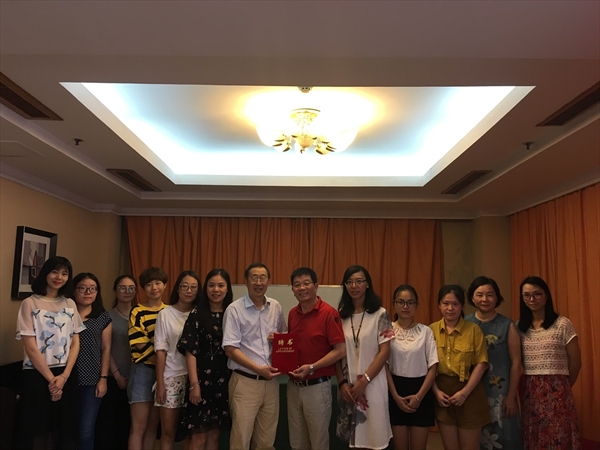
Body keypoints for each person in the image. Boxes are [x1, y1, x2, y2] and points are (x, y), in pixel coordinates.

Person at [14, 256, 85, 450]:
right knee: (38, 429)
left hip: (65, 373)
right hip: (37, 374)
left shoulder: (70, 303)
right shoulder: (30, 303)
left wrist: (64, 376)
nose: (59, 277)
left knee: (62, 428)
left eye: (64, 273)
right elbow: (30, 347)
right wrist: (52, 381)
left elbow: (75, 342)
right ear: (45, 273)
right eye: (55, 272)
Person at [222, 262, 286, 450]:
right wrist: (258, 369)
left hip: (271, 383)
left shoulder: (275, 306)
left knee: (266, 442)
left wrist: (278, 338)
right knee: (241, 441)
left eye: (262, 278)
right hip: (245, 382)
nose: (259, 282)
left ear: (268, 281)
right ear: (246, 281)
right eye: (254, 278)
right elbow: (230, 349)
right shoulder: (235, 309)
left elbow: (284, 338)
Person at [517, 276, 581, 450]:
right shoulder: (519, 327)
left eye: (537, 294)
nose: (532, 299)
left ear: (546, 295)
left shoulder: (562, 324)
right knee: (533, 434)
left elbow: (576, 361)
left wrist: (563, 386)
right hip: (530, 390)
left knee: (557, 435)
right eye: (527, 295)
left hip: (557, 389)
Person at [335, 265, 394, 449]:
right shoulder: (341, 316)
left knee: (374, 440)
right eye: (349, 282)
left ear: (367, 284)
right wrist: (341, 383)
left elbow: (385, 352)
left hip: (373, 385)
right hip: (348, 388)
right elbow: (337, 353)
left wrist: (364, 381)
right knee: (352, 442)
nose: (354, 286)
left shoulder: (380, 314)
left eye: (359, 281)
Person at [286, 267, 346, 450]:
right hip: (293, 387)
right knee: (297, 443)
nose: (302, 288)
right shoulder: (292, 314)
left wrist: (312, 367)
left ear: (316, 286)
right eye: (297, 285)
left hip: (317, 387)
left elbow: (340, 350)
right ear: (292, 289)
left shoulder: (329, 313)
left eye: (306, 283)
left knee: (318, 442)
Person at [178, 268, 234, 450]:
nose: (216, 290)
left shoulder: (232, 313)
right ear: (206, 288)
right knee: (198, 438)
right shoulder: (197, 314)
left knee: (215, 435)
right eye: (211, 285)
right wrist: (194, 385)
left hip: (224, 383)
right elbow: (190, 351)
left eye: (220, 285)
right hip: (201, 383)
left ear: (227, 288)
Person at [465, 276, 523, 450]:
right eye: (479, 295)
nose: (485, 299)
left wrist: (511, 396)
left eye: (490, 295)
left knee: (505, 436)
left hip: (501, 393)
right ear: (472, 298)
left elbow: (516, 363)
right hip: (473, 392)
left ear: (497, 297)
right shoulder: (465, 324)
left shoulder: (507, 325)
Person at [429, 285, 490, 450]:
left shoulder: (473, 330)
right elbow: (426, 366)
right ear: (439, 305)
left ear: (462, 306)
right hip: (442, 394)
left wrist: (464, 393)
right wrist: (436, 392)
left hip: (469, 392)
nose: (450, 308)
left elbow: (482, 363)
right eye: (446, 303)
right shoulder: (430, 330)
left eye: (455, 304)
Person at [385, 284, 438, 450]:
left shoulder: (426, 331)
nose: (405, 306)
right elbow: (384, 366)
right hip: (395, 390)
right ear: (394, 304)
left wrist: (419, 397)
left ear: (416, 305)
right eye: (400, 302)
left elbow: (433, 367)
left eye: (410, 302)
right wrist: (395, 396)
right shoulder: (387, 331)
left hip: (421, 391)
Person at [154, 270, 199, 450]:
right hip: (171, 377)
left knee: (192, 433)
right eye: (184, 286)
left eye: (193, 287)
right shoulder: (165, 314)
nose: (189, 290)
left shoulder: (199, 313)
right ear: (177, 289)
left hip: (196, 378)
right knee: (168, 432)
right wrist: (160, 383)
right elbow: (160, 351)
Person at [128, 267, 168, 450]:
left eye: (158, 283)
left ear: (165, 285)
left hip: (165, 372)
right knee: (139, 427)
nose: (154, 288)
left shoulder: (169, 311)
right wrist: (161, 364)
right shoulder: (137, 311)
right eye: (149, 284)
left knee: (153, 426)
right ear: (143, 288)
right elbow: (139, 343)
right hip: (144, 370)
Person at [95, 274, 137, 450]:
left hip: (136, 378)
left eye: (131, 288)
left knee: (130, 426)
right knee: (111, 425)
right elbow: (105, 348)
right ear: (115, 290)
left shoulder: (139, 314)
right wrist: (117, 375)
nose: (127, 291)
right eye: (122, 288)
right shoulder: (107, 316)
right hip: (113, 378)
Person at [72, 272, 112, 450]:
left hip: (91, 379)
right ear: (74, 291)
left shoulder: (102, 317)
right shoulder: (65, 314)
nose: (88, 292)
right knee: (66, 428)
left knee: (85, 430)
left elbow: (106, 349)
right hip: (65, 377)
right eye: (82, 288)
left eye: (92, 289)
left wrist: (103, 378)